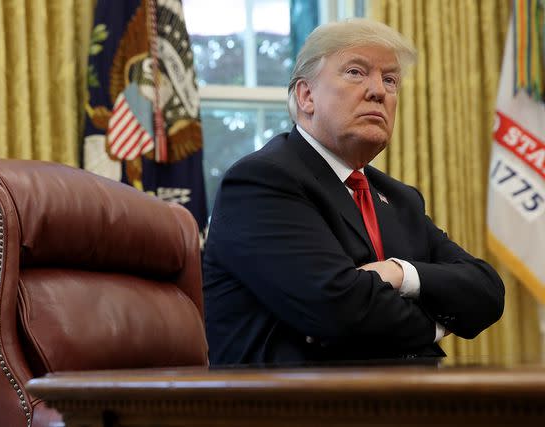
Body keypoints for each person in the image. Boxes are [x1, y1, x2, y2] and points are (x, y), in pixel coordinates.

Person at [202, 19, 504, 365]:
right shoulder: (262, 181)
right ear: (306, 95)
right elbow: (338, 308)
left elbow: (487, 291)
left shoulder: (400, 198)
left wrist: (400, 273)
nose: (379, 91)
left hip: (406, 400)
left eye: (390, 80)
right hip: (297, 408)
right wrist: (438, 324)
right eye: (356, 73)